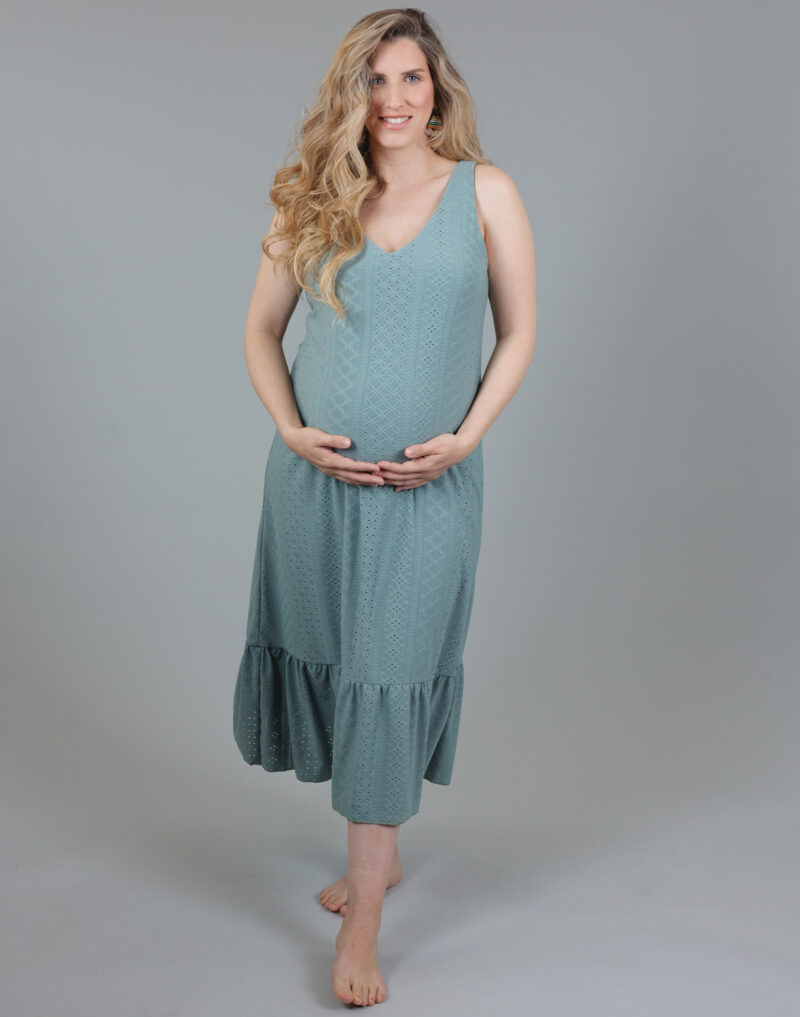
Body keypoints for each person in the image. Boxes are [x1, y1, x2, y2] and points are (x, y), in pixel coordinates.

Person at [232, 8, 536, 1007]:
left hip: (427, 489)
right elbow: (260, 333)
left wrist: (467, 436)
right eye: (374, 80)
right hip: (313, 491)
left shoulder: (485, 191)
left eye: (411, 77)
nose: (394, 99)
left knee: (388, 674)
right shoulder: (312, 194)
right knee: (343, 666)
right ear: (349, 94)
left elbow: (519, 333)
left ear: (437, 89)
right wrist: (289, 429)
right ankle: (381, 852)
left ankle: (361, 918)